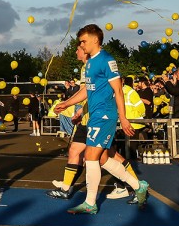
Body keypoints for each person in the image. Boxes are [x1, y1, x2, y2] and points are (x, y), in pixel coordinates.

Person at [52, 24, 149, 214]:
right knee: (103, 158)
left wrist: (123, 117)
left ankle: (90, 203)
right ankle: (138, 186)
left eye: (83, 41)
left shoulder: (106, 60)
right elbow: (87, 90)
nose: (81, 45)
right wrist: (67, 103)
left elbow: (118, 90)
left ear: (95, 40)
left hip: (104, 115)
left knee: (90, 156)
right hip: (95, 116)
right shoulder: (89, 63)